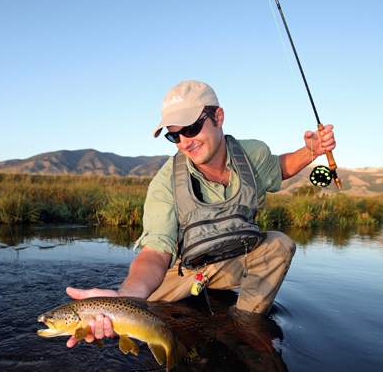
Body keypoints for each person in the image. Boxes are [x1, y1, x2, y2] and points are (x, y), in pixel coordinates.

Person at [66, 80, 336, 347]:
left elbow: (277, 168)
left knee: (279, 245)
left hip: (230, 258)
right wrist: (125, 298)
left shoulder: (253, 153)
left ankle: (246, 326)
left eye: (192, 128)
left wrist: (311, 151)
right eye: (174, 135)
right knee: (145, 310)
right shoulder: (164, 183)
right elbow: (155, 252)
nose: (184, 142)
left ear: (218, 117)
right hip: (182, 271)